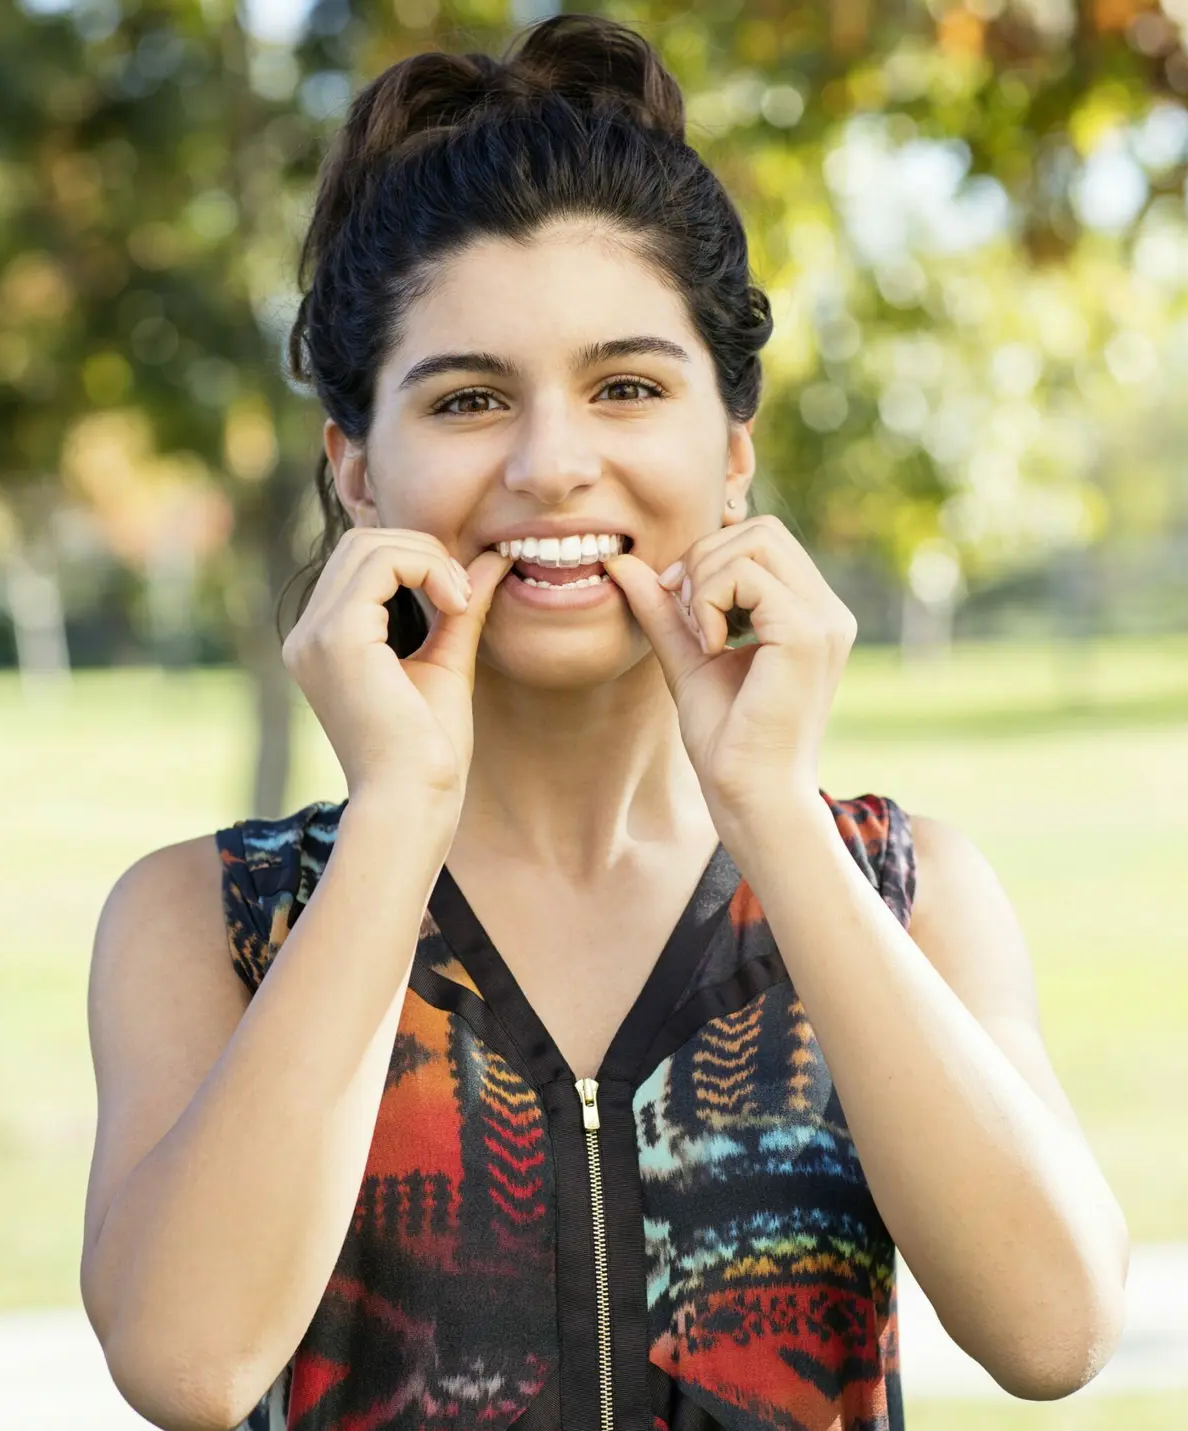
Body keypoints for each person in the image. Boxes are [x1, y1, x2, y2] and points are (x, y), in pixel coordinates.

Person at [79, 13, 1128, 1431]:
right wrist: (398, 809)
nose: (552, 463)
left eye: (627, 386)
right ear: (357, 473)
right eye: (467, 398)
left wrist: (772, 809)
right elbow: (188, 1364)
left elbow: (1056, 1331)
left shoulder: (906, 888)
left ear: (733, 445)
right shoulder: (205, 921)